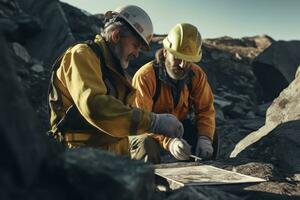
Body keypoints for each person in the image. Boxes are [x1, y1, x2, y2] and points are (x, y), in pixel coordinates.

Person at [48, 5, 184, 156]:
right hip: (80, 158)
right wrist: (153, 122)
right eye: (135, 45)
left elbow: (126, 120)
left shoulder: (116, 72)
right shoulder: (82, 55)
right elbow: (94, 106)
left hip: (110, 159)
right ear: (116, 35)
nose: (136, 54)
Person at [131, 23, 216, 163]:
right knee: (144, 143)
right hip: (149, 131)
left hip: (178, 129)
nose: (183, 65)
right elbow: (140, 122)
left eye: (188, 60)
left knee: (209, 135)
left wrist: (205, 138)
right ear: (165, 52)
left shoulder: (197, 75)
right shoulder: (145, 77)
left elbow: (206, 109)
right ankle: (147, 182)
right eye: (177, 57)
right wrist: (169, 142)